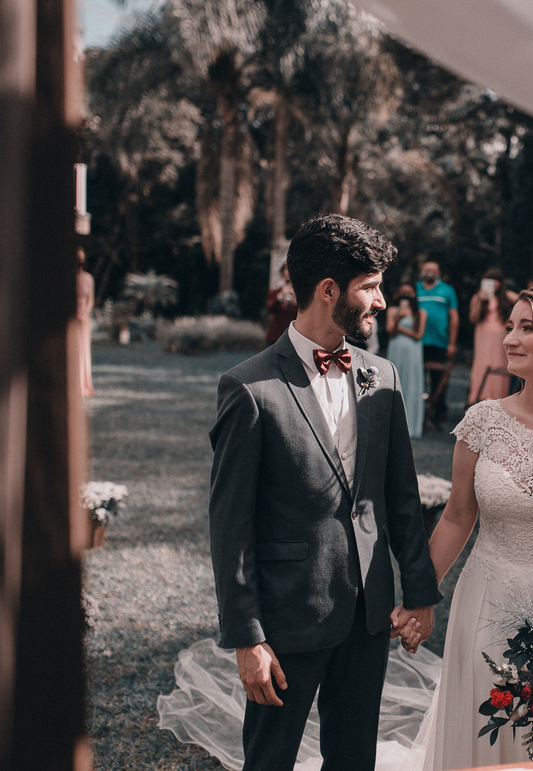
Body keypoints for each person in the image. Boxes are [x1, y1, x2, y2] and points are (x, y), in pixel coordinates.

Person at [207, 214, 440, 771]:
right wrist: (246, 637)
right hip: (287, 614)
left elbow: (401, 498)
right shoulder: (249, 388)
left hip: (368, 613)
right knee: (270, 761)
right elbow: (230, 523)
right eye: (370, 287)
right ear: (328, 290)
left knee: (354, 758)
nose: (381, 301)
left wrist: (420, 591)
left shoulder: (382, 376)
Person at [413, 283, 533, 770]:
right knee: (483, 729)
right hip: (485, 602)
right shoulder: (482, 421)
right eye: (510, 326)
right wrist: (419, 595)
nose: (510, 338)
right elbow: (456, 516)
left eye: (527, 328)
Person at [466, 269, 517, 406]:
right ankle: (479, 397)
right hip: (483, 337)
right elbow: (473, 318)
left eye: (496, 280)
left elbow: (522, 300)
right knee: (482, 363)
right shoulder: (478, 297)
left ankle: (499, 399)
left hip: (500, 337)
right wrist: (480, 300)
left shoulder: (505, 296)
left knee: (499, 363)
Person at [417, 261, 459, 429]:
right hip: (416, 342)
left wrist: (452, 343)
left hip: (439, 342)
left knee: (438, 379)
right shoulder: (416, 289)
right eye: (426, 269)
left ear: (439, 272)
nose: (429, 272)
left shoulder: (447, 291)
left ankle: (438, 412)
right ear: (421, 271)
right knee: (418, 379)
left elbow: (454, 318)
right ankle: (418, 412)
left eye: (433, 270)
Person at [387, 283, 427, 439]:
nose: (406, 295)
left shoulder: (421, 313)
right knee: (396, 381)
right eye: (403, 292)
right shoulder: (392, 310)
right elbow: (390, 332)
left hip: (413, 351)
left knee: (412, 383)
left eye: (409, 292)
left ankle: (412, 425)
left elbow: (418, 335)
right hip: (396, 348)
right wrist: (398, 318)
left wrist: (400, 326)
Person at [76, 248, 95, 397]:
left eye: (82, 257)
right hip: (71, 315)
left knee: (83, 350)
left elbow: (90, 300)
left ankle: (84, 383)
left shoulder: (88, 278)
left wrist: (84, 313)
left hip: (83, 317)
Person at [264, 263, 298, 344]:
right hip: (276, 334)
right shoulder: (276, 292)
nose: (288, 273)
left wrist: (295, 301)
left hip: (292, 334)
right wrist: (281, 295)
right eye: (286, 270)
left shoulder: (298, 293)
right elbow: (269, 308)